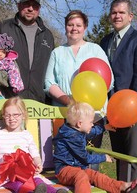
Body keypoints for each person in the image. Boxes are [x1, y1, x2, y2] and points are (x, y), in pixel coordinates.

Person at [44, 10, 113, 170]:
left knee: (89, 164)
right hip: (64, 116)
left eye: (78, 25)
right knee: (66, 162)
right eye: (70, 25)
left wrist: (89, 101)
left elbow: (108, 81)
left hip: (92, 117)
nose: (74, 28)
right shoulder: (57, 52)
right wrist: (68, 100)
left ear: (85, 27)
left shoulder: (95, 50)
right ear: (65, 27)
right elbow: (49, 82)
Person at [100, 0, 137, 182]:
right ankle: (121, 188)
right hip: (112, 110)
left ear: (130, 16)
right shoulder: (105, 41)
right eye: (114, 12)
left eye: (122, 12)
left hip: (133, 109)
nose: (117, 16)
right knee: (120, 156)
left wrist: (132, 110)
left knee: (133, 155)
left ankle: (136, 187)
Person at [53, 102, 137, 193]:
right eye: (91, 122)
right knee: (81, 176)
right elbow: (85, 158)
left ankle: (123, 187)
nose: (92, 124)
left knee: (96, 176)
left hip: (78, 168)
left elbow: (91, 132)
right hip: (64, 170)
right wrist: (103, 157)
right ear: (79, 123)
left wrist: (104, 127)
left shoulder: (76, 130)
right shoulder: (73, 137)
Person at [0, 96, 66, 193]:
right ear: (3, 116)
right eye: (7, 115)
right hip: (8, 175)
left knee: (37, 180)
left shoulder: (26, 135)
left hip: (26, 172)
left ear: (23, 115)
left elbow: (35, 155)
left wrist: (38, 163)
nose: (11, 118)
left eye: (15, 115)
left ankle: (55, 192)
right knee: (18, 184)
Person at [0, 0, 54, 103]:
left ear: (39, 9)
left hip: (39, 103)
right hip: (8, 101)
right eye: (27, 4)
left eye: (34, 5)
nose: (30, 8)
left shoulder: (48, 36)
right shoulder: (2, 28)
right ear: (19, 5)